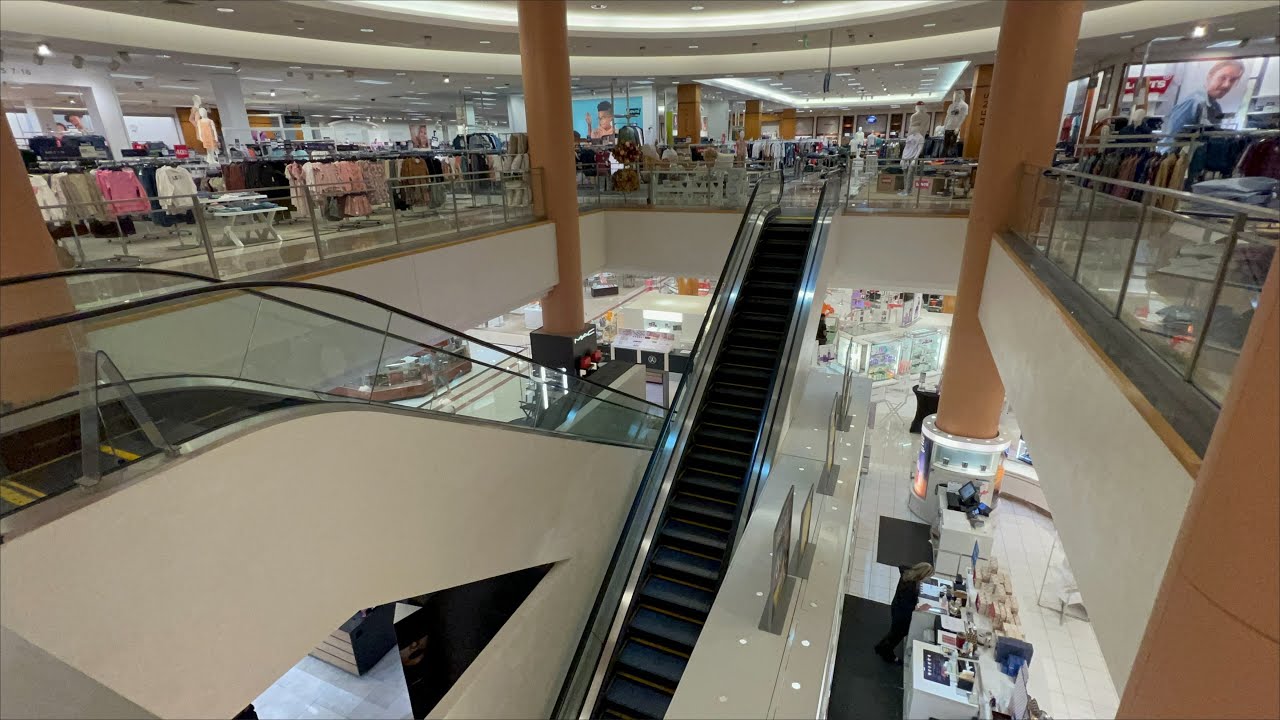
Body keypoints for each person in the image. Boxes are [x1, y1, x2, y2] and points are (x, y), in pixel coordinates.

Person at [874, 561, 934, 664]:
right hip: (901, 615)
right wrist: (920, 609)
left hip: (896, 607)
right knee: (897, 635)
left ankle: (880, 647)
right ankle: (887, 654)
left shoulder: (908, 573)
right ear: (922, 575)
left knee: (893, 632)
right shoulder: (910, 588)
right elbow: (907, 607)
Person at [1164, 59, 1246, 134]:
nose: (1226, 85)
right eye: (1222, 78)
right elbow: (1170, 139)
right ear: (1210, 76)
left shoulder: (1216, 107)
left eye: (1233, 80)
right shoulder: (1193, 103)